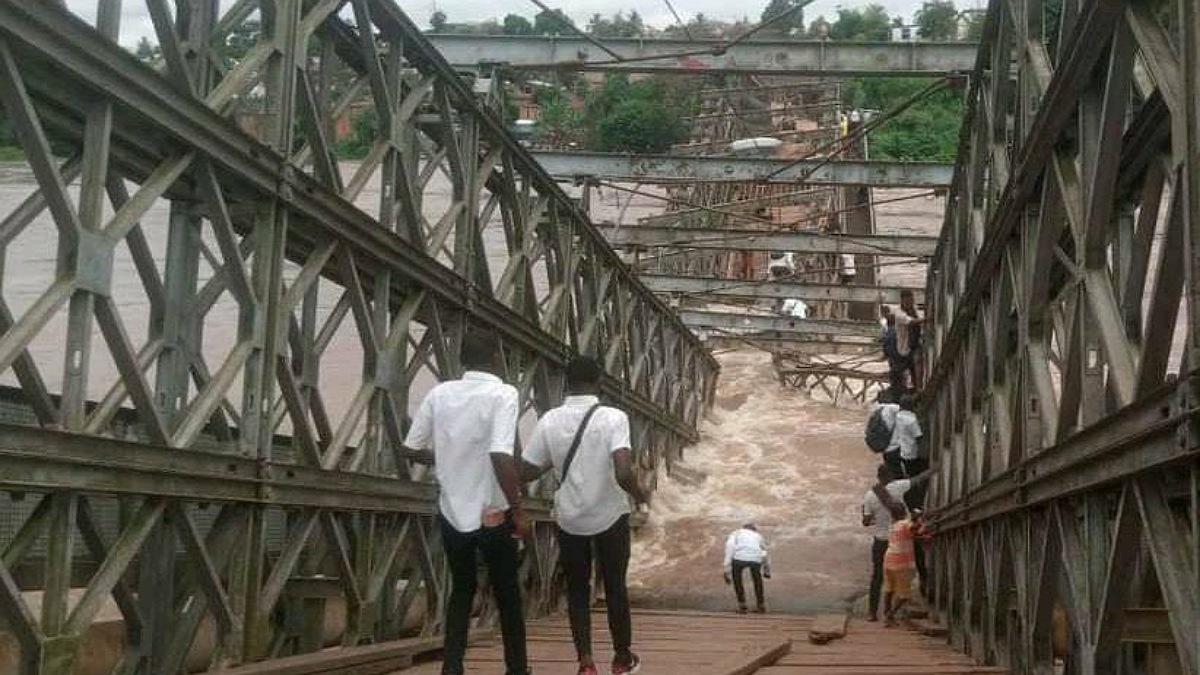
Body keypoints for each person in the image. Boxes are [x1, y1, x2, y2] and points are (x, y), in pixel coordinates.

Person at [402, 332, 530, 675]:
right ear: (496, 358)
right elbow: (500, 453)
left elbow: (411, 448)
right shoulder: (504, 394)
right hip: (493, 512)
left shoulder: (439, 393)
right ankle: (517, 669)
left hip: (452, 512)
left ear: (461, 361)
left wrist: (446, 457)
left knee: (461, 589)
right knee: (507, 594)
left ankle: (452, 667)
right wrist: (518, 510)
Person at [520, 356, 645, 675]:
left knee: (577, 588)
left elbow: (529, 470)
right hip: (610, 514)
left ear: (566, 382)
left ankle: (586, 662)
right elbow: (623, 472)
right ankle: (621, 658)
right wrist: (642, 496)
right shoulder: (614, 417)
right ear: (599, 382)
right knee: (615, 585)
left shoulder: (550, 420)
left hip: (570, 517)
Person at [861, 464, 935, 621]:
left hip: (881, 541)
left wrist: (873, 517)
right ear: (890, 476)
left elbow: (866, 522)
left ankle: (872, 613)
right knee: (915, 566)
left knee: (878, 576)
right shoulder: (898, 486)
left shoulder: (869, 495)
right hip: (901, 538)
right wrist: (934, 469)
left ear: (878, 477)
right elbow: (918, 479)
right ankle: (924, 591)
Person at [883, 505, 929, 626]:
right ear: (904, 513)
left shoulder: (893, 526)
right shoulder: (905, 523)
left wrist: (920, 534)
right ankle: (890, 615)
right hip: (901, 562)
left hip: (888, 560)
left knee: (889, 589)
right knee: (904, 595)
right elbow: (914, 528)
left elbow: (908, 536)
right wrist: (919, 519)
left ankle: (886, 613)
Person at [723, 523, 769, 614]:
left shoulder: (736, 533)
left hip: (739, 558)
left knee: (737, 580)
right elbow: (764, 552)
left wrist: (726, 570)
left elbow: (730, 548)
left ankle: (742, 605)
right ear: (754, 530)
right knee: (757, 580)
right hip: (755, 559)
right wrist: (766, 570)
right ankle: (761, 605)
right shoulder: (758, 536)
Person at [894, 291, 923, 389]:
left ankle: (918, 388)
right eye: (908, 301)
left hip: (915, 344)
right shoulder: (899, 313)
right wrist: (928, 319)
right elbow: (911, 322)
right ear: (902, 301)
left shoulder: (914, 309)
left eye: (912, 301)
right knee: (903, 373)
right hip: (904, 348)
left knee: (917, 365)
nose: (910, 303)